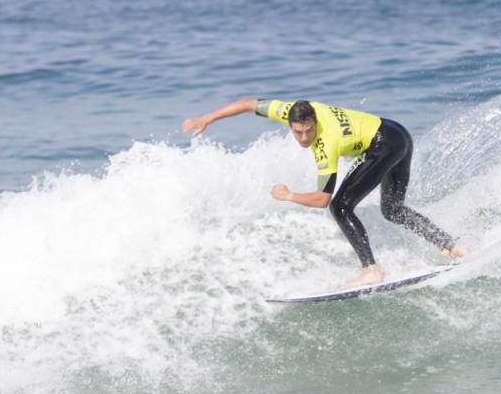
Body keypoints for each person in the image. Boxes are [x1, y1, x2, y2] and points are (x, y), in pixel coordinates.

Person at [181, 98, 465, 287]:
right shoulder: (287, 109)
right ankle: (453, 247)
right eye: (298, 133)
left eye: (308, 131)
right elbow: (247, 104)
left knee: (340, 207)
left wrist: (289, 195)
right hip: (398, 133)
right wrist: (207, 118)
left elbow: (322, 200)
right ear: (289, 122)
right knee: (392, 210)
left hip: (385, 144)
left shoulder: (325, 142)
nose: (304, 138)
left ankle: (370, 270)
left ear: (314, 121)